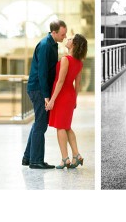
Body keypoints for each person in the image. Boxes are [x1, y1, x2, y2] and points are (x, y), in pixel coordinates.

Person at [22, 20, 68, 169]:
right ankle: (36, 161)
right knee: (41, 124)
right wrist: (46, 96)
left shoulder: (52, 44)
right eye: (62, 34)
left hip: (40, 89)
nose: (65, 36)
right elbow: (42, 73)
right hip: (38, 89)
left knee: (38, 123)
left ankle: (28, 157)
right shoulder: (45, 46)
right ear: (54, 32)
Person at [47, 34, 88, 170]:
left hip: (61, 96)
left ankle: (65, 159)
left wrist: (52, 100)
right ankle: (76, 155)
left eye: (70, 39)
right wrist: (74, 99)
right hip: (69, 96)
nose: (67, 40)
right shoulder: (79, 62)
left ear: (74, 45)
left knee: (60, 127)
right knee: (66, 126)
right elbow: (78, 84)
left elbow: (60, 81)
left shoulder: (66, 59)